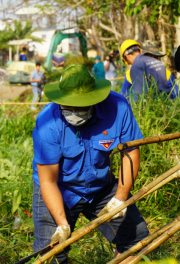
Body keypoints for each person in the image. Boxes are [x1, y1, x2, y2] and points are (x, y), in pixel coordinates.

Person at [32, 64, 149, 263]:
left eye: (81, 106)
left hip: (101, 186)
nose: (75, 112)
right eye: (69, 106)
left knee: (137, 240)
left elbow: (130, 152)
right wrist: (62, 224)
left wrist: (120, 198)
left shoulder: (117, 107)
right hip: (60, 189)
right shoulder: (47, 122)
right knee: (49, 255)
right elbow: (48, 181)